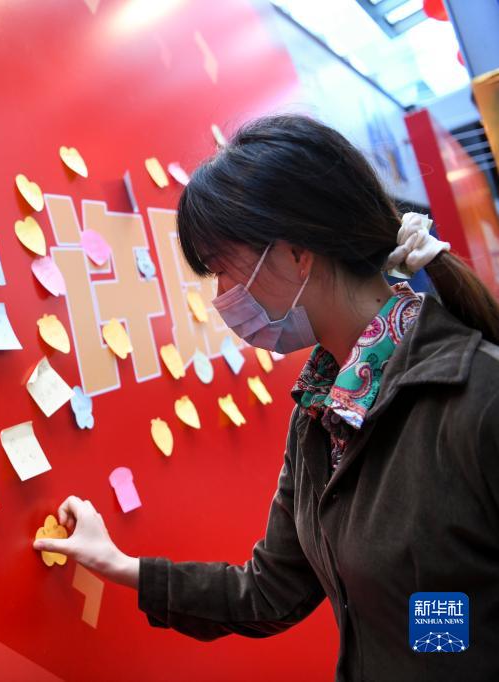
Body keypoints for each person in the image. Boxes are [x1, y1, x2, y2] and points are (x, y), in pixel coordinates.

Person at [32, 114, 499, 680]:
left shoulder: (477, 395)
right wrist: (121, 565)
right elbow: (270, 591)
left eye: (221, 270)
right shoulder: (321, 411)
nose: (221, 298)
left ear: (297, 254)